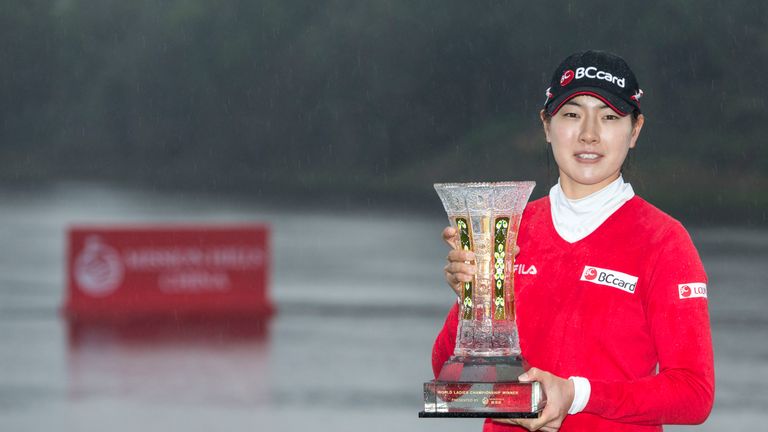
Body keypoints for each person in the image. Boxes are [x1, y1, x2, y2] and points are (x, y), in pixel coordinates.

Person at [434, 50, 714, 431]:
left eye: (610, 117)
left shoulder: (663, 242)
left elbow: (693, 394)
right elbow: (451, 377)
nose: (589, 133)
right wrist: (471, 299)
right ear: (546, 125)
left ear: (635, 131)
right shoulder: (508, 231)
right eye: (571, 113)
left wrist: (577, 394)